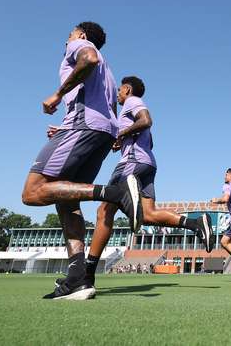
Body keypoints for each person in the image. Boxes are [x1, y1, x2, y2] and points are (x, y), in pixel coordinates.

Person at [21, 22, 142, 300]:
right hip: (98, 133)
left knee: (33, 191)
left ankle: (116, 193)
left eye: (69, 35)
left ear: (82, 35)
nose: (66, 41)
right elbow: (108, 109)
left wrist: (58, 94)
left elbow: (88, 58)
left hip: (83, 128)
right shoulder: (109, 74)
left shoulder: (81, 48)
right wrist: (68, 129)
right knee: (67, 201)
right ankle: (77, 278)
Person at [61, 75, 214, 290]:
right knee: (149, 215)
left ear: (126, 89)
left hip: (132, 163)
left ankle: (87, 275)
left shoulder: (132, 102)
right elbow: (148, 138)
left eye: (119, 91)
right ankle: (196, 223)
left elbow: (146, 120)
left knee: (104, 212)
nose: (117, 95)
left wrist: (121, 134)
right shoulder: (128, 110)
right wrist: (123, 139)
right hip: (148, 164)